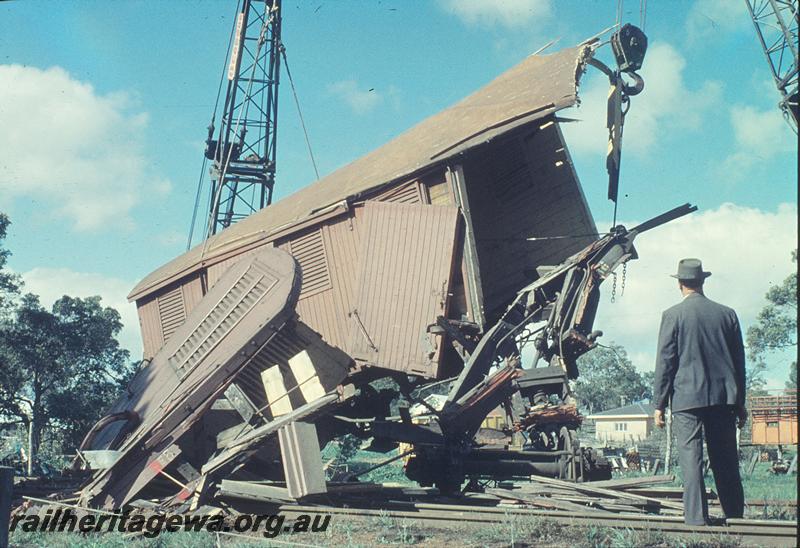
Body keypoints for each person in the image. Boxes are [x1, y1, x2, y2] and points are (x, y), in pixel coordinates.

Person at [653, 258, 747, 526]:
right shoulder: (727, 314)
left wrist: (659, 404)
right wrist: (740, 402)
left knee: (691, 459)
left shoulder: (672, 315)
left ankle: (695, 520)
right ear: (703, 281)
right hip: (722, 398)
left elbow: (666, 361)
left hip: (686, 399)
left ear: (680, 284)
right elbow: (739, 364)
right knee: (726, 459)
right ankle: (735, 517)